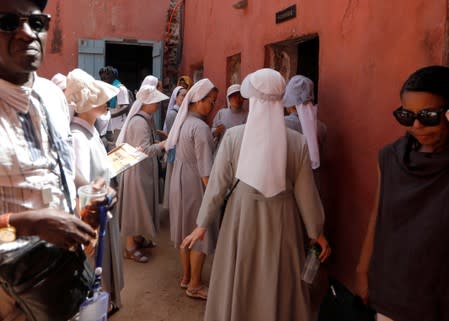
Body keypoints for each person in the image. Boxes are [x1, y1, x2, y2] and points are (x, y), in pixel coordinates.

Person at [182, 68, 331, 320]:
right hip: (283, 222)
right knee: (277, 278)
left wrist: (202, 224)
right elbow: (307, 195)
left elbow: (217, 186)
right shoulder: (297, 142)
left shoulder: (233, 137)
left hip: (241, 218)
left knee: (239, 277)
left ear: (251, 98)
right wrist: (317, 233)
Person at [0, 0, 97, 319]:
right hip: (11, 296)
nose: (27, 33)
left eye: (37, 22)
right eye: (8, 22)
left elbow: (61, 179)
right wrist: (27, 224)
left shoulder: (53, 97)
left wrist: (85, 210)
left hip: (64, 280)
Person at [356, 65, 449, 321]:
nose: (417, 125)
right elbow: (379, 213)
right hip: (392, 292)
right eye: (407, 116)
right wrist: (363, 270)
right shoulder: (390, 158)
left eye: (429, 115)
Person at [65, 68, 124, 313]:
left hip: (101, 215)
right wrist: (87, 230)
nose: (104, 102)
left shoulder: (90, 132)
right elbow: (81, 188)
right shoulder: (79, 137)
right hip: (93, 221)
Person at [165, 78, 218, 300]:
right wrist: (213, 199)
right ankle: (195, 284)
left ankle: (186, 277)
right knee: (199, 233)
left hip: (179, 180)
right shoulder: (200, 127)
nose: (212, 106)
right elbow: (206, 171)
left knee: (185, 232)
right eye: (210, 101)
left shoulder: (184, 121)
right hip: (195, 184)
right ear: (198, 100)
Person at [116, 78, 169, 263]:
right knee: (135, 207)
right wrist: (163, 144)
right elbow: (144, 150)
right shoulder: (139, 122)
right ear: (147, 103)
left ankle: (138, 239)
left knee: (141, 205)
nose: (158, 104)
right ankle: (130, 247)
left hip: (142, 171)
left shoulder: (145, 119)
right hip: (137, 173)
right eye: (155, 101)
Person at [162, 86, 187, 210]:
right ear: (176, 97)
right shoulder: (173, 113)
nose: (184, 97)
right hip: (176, 151)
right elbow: (175, 135)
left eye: (186, 95)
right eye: (182, 95)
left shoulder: (184, 112)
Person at [99, 66, 130, 142]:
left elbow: (126, 107)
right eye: (102, 79)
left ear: (112, 77)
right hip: (108, 126)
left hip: (119, 127)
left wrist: (110, 116)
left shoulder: (120, 89)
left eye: (105, 78)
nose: (103, 81)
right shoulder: (107, 89)